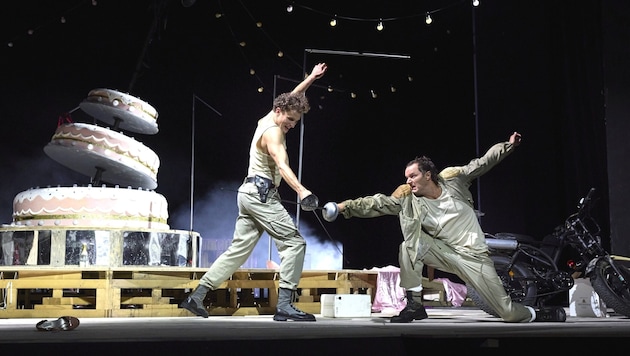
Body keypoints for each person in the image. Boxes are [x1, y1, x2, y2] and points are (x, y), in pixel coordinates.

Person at [322, 132, 567, 323]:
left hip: (473, 257)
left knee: (508, 313)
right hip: (444, 252)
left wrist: (508, 145)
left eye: (413, 176)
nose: (408, 181)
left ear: (428, 175)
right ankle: (414, 305)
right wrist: (344, 207)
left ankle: (538, 314)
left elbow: (482, 163)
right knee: (409, 245)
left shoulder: (454, 181)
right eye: (407, 177)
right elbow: (377, 203)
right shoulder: (409, 200)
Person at [180, 62, 328, 322]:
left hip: (248, 194)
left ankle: (196, 296)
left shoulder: (268, 118)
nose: (292, 125)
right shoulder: (274, 134)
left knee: (238, 250)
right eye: (291, 120)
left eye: (296, 121)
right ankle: (285, 305)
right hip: (261, 196)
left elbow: (294, 96)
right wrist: (302, 191)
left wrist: (312, 78)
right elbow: (282, 165)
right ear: (279, 112)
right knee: (294, 244)